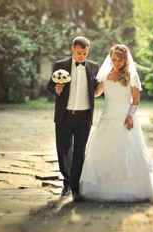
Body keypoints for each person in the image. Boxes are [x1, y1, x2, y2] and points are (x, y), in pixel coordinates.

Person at [79, 44, 153, 202]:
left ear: (125, 60)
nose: (117, 63)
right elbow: (96, 93)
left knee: (125, 152)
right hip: (108, 116)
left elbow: (136, 100)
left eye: (120, 60)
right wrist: (86, 83)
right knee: (105, 151)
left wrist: (130, 116)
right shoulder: (106, 74)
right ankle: (103, 190)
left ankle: (129, 190)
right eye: (114, 60)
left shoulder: (131, 76)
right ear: (110, 59)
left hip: (125, 116)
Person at [47, 36, 99, 201]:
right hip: (65, 115)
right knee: (64, 151)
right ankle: (67, 183)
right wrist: (57, 89)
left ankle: (76, 187)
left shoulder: (94, 67)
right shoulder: (60, 65)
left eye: (85, 53)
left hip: (84, 116)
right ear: (72, 49)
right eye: (79, 53)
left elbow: (97, 89)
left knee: (79, 153)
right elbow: (50, 87)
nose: (82, 57)